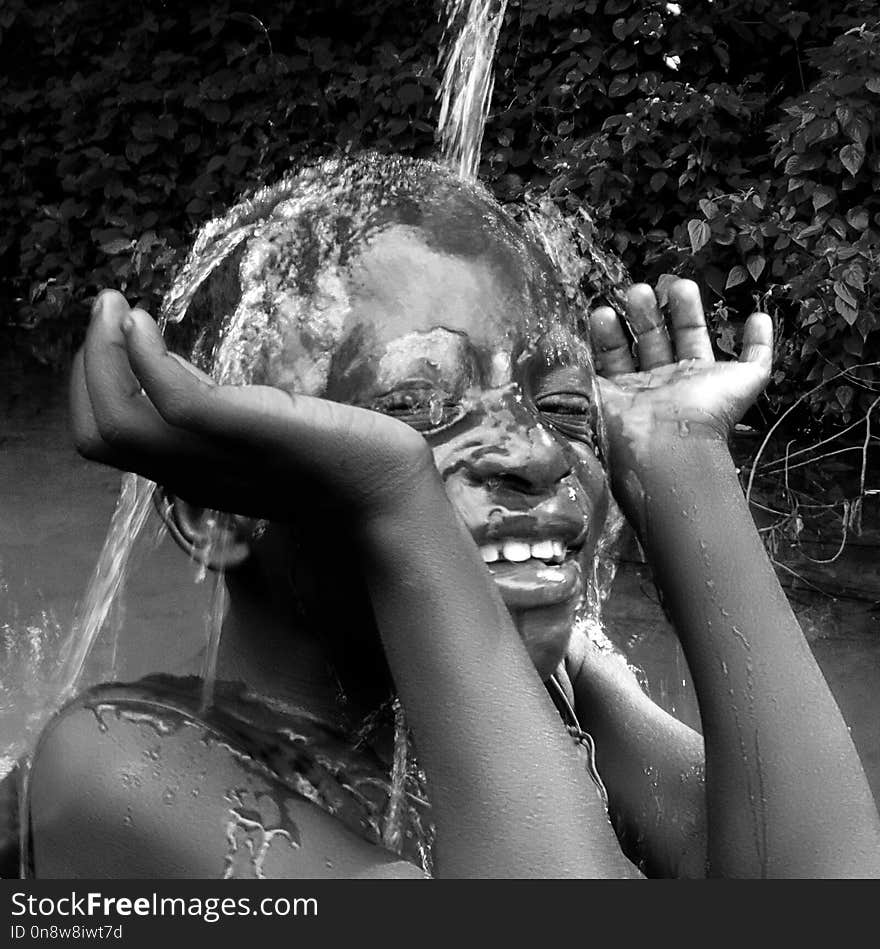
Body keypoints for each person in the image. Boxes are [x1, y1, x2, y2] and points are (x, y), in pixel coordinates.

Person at [28, 155, 880, 878]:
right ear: (218, 510)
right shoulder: (116, 764)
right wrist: (397, 500)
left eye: (566, 407)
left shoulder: (562, 686)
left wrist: (683, 464)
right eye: (416, 404)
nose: (538, 452)